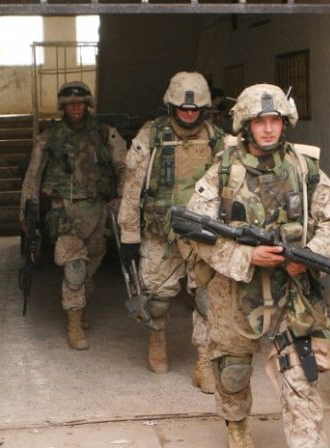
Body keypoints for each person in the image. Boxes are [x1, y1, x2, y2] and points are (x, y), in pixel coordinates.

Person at [184, 83, 330, 448]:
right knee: (233, 372)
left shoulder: (306, 169)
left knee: (300, 374)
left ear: (285, 122)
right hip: (235, 290)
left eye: (275, 120)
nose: (268, 128)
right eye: (259, 121)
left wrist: (307, 257)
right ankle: (237, 427)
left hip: (292, 290)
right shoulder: (224, 172)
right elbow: (195, 231)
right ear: (245, 125)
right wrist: (246, 256)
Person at [117, 71, 226, 391]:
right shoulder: (152, 134)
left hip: (201, 235)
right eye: (183, 108)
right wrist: (128, 234)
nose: (189, 114)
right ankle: (157, 337)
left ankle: (204, 361)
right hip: (159, 233)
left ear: (204, 108)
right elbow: (132, 187)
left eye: (195, 109)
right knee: (158, 299)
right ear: (171, 106)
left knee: (206, 299)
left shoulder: (217, 138)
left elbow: (232, 186)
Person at [19, 81, 127, 350]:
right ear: (62, 107)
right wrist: (26, 211)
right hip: (64, 211)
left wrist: (123, 197)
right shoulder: (49, 137)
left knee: (91, 267)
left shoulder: (106, 134)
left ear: (87, 105)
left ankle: (81, 304)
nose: (76, 108)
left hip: (97, 210)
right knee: (74, 268)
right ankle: (74, 322)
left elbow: (125, 166)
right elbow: (33, 176)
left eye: (80, 103)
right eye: (70, 104)